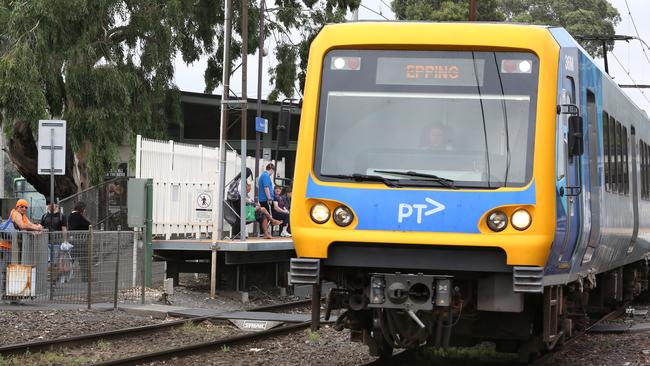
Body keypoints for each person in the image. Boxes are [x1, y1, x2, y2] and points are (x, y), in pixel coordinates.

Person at [41, 200, 68, 280]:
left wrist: (65, 241)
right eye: (49, 204)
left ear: (56, 204)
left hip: (57, 243)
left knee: (55, 262)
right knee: (48, 263)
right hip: (46, 243)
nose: (51, 205)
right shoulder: (44, 216)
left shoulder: (61, 216)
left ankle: (54, 280)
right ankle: (50, 278)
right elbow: (41, 227)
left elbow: (64, 229)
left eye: (52, 203)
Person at [68, 201, 91, 281]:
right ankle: (85, 278)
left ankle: (65, 278)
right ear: (81, 208)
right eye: (84, 209)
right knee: (83, 260)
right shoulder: (77, 215)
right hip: (80, 241)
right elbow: (85, 224)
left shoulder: (71, 215)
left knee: (72, 259)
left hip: (75, 240)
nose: (85, 210)